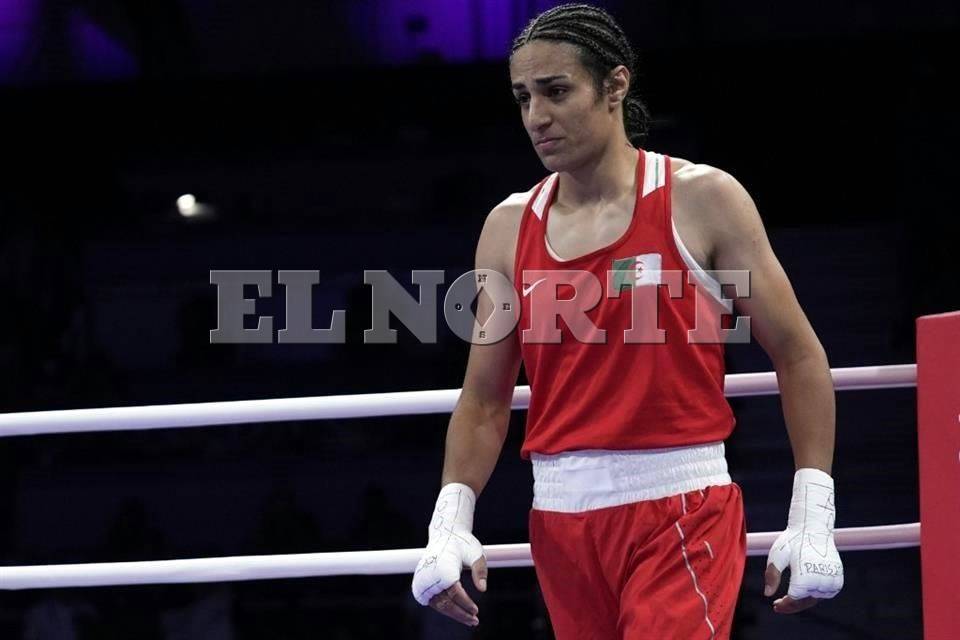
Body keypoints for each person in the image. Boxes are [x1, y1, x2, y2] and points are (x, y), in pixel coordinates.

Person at [411, 4, 843, 638]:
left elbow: (798, 354)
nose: (536, 116)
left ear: (615, 85)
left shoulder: (703, 199)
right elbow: (484, 398)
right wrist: (449, 521)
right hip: (560, 522)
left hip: (681, 511)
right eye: (524, 97)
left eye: (556, 91)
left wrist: (813, 513)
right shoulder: (507, 228)